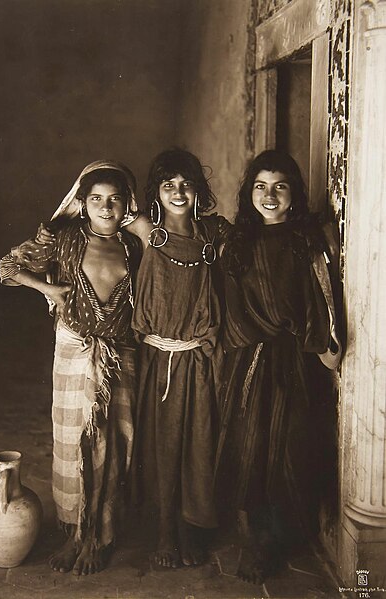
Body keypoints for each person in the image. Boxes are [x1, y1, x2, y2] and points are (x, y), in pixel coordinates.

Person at [0, 161, 142, 575]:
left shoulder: (135, 246)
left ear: (126, 203)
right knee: (74, 442)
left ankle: (100, 536)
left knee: (115, 444)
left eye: (115, 199)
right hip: (75, 351)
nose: (105, 206)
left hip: (120, 354)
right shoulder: (63, 238)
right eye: (96, 198)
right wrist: (47, 288)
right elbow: (7, 268)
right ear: (82, 202)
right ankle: (76, 535)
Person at [216, 150, 342, 584]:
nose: (270, 197)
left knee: (290, 445)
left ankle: (286, 533)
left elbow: (322, 296)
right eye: (261, 187)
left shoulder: (308, 239)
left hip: (295, 360)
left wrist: (324, 344)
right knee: (250, 446)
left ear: (295, 193)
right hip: (250, 359)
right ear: (250, 192)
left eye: (280, 187)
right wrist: (242, 344)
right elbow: (230, 306)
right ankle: (257, 539)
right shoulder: (238, 243)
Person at [124, 148, 231, 569]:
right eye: (169, 185)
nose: (179, 192)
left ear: (199, 190)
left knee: (199, 443)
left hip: (200, 360)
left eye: (187, 184)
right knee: (162, 446)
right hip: (157, 361)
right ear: (156, 193)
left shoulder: (212, 236)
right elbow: (86, 197)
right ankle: (166, 530)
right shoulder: (147, 231)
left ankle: (190, 528)